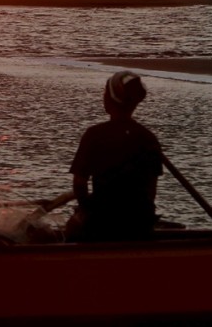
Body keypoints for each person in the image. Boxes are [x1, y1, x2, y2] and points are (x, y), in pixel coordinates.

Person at [66, 71, 164, 242]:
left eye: (105, 92)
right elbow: (151, 191)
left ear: (110, 100)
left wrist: (86, 212)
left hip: (103, 223)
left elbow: (80, 184)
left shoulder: (94, 135)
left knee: (70, 228)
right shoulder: (148, 137)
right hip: (140, 223)